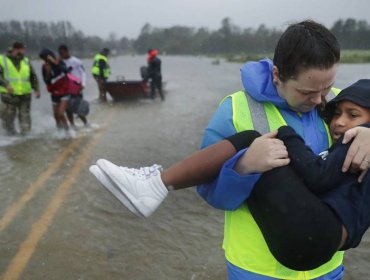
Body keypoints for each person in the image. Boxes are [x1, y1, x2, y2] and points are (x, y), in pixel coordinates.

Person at [90, 20, 370, 279]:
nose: (320, 98)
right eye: (308, 93)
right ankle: (157, 185)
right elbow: (211, 194)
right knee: (248, 141)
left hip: (327, 268)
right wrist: (244, 168)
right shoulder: (235, 110)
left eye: (328, 86)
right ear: (277, 75)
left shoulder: (340, 106)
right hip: (257, 270)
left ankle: (154, 184)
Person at [0, 42, 40, 135]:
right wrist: (6, 85)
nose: (24, 51)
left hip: (25, 94)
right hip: (9, 94)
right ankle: (10, 137)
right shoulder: (2, 59)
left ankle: (26, 138)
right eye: (23, 49)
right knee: (8, 117)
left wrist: (36, 89)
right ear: (16, 49)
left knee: (25, 116)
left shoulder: (26, 60)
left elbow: (33, 76)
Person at [39, 48, 81, 134]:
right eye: (43, 59)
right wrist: (47, 72)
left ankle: (68, 133)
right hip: (55, 93)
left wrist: (55, 63)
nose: (45, 60)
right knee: (56, 115)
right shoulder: (44, 67)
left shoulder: (60, 62)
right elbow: (46, 82)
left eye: (45, 58)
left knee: (61, 114)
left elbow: (66, 71)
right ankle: (59, 132)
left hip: (65, 92)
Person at [58, 44, 89, 128]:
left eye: (63, 53)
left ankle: (86, 124)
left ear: (67, 51)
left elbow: (83, 73)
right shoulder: (60, 62)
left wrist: (83, 84)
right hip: (66, 88)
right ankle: (72, 125)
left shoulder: (76, 61)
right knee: (68, 109)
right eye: (60, 53)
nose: (62, 55)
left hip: (77, 87)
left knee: (79, 106)